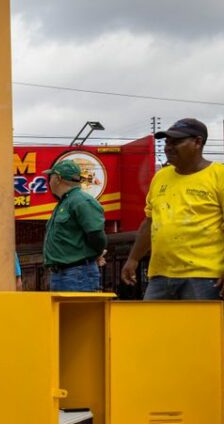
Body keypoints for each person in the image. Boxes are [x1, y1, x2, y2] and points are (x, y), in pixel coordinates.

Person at [121, 118, 224, 300]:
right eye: (167, 142)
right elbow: (150, 222)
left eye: (176, 142)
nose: (168, 147)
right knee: (152, 327)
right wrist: (133, 259)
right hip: (160, 276)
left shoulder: (218, 175)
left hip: (204, 276)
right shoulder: (161, 177)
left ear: (198, 142)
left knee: (198, 328)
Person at [42, 158, 107, 291]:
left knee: (77, 311)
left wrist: (96, 253)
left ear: (58, 178)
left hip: (77, 274)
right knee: (64, 312)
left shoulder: (81, 201)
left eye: (51, 176)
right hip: (64, 274)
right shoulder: (65, 202)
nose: (49, 181)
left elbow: (96, 234)